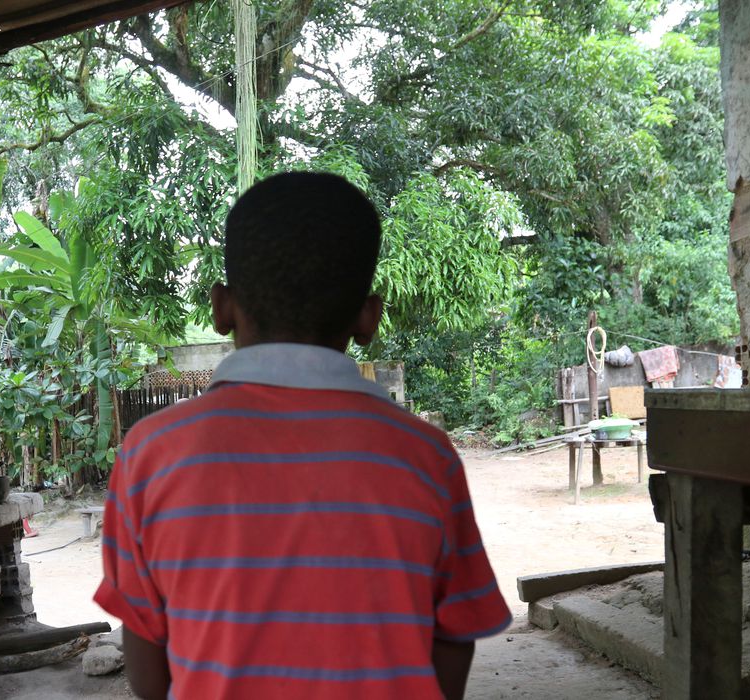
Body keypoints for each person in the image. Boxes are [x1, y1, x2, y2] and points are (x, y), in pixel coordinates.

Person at [94, 172, 510, 699]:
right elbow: (454, 637)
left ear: (222, 308)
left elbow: (148, 659)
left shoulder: (152, 454)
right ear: (369, 317)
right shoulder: (426, 457)